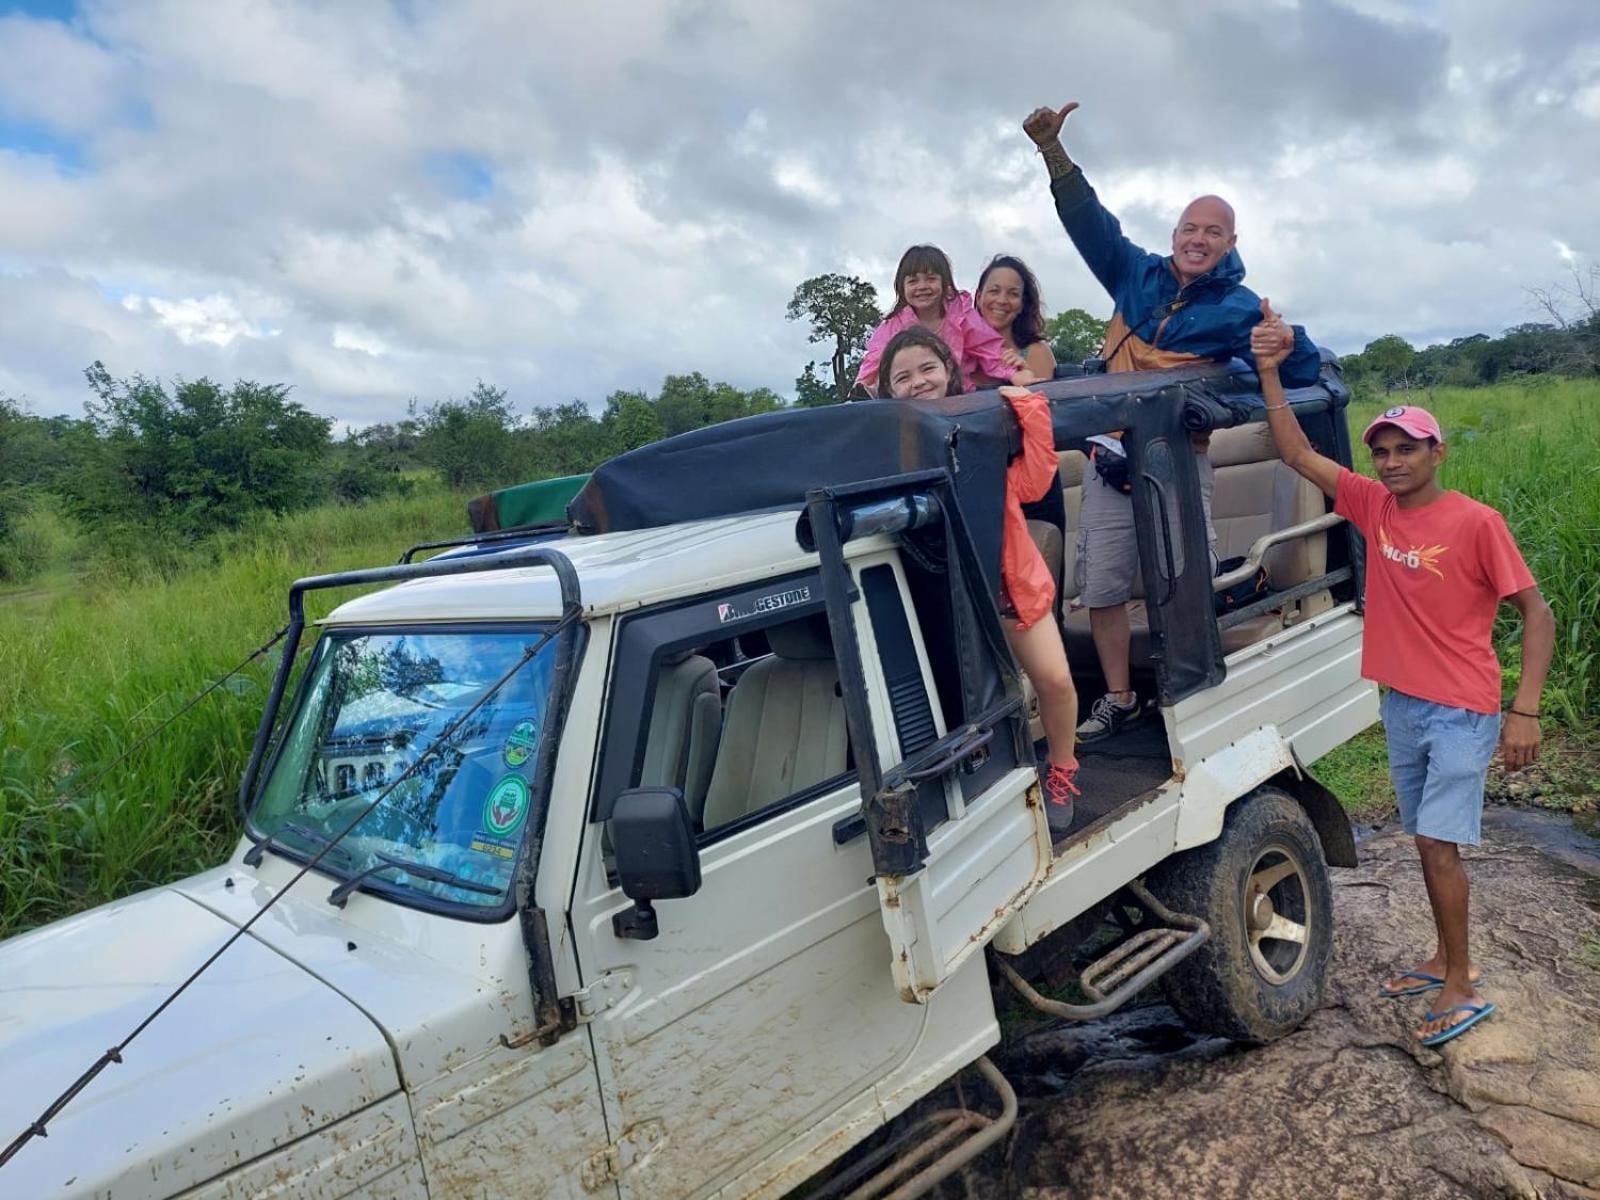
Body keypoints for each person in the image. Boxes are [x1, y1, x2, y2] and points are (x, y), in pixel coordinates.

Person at [1251, 301, 1555, 1048]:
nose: (1391, 462)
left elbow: (1537, 614)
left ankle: (1462, 980)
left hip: (1461, 708)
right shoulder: (1372, 505)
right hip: (1405, 706)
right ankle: (1441, 958)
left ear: (1436, 452)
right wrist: (1268, 372)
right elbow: (1296, 453)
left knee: (1438, 845)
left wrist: (1526, 710)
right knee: (1425, 840)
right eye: (1381, 450)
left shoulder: (1477, 522)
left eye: (1406, 449)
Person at [1022, 100, 1321, 743]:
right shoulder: (1136, 275)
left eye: (1214, 231)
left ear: (1231, 244)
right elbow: (1089, 222)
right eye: (1191, 227)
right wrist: (1053, 153)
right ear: (1176, 233)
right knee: (1101, 585)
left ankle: (1196, 692)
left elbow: (1298, 374)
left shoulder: (1239, 308)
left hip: (1180, 465)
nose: (1198, 238)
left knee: (1189, 582)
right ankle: (1122, 697)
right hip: (1107, 462)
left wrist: (1286, 344)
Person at [878, 326, 1080, 813]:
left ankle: (1063, 768)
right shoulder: (888, 447)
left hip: (1009, 587)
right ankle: (982, 787)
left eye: (927, 368)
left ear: (951, 371)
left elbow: (1033, 483)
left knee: (1054, 680)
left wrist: (1027, 404)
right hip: (942, 598)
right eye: (903, 376)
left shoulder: (981, 428)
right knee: (957, 702)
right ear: (888, 391)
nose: (918, 381)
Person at [857, 245, 1035, 397]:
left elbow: (989, 349)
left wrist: (1013, 374)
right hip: (914, 401)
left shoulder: (962, 315)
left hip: (959, 397)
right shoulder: (892, 325)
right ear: (902, 288)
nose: (922, 287)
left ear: (945, 283)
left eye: (931, 279)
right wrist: (863, 390)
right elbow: (872, 366)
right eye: (913, 281)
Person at [974, 254, 1057, 383]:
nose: (1002, 300)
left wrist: (1025, 374)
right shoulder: (957, 352)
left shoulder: (1037, 353)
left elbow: (1047, 402)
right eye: (994, 291)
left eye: (1013, 294)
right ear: (979, 298)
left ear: (1022, 305)